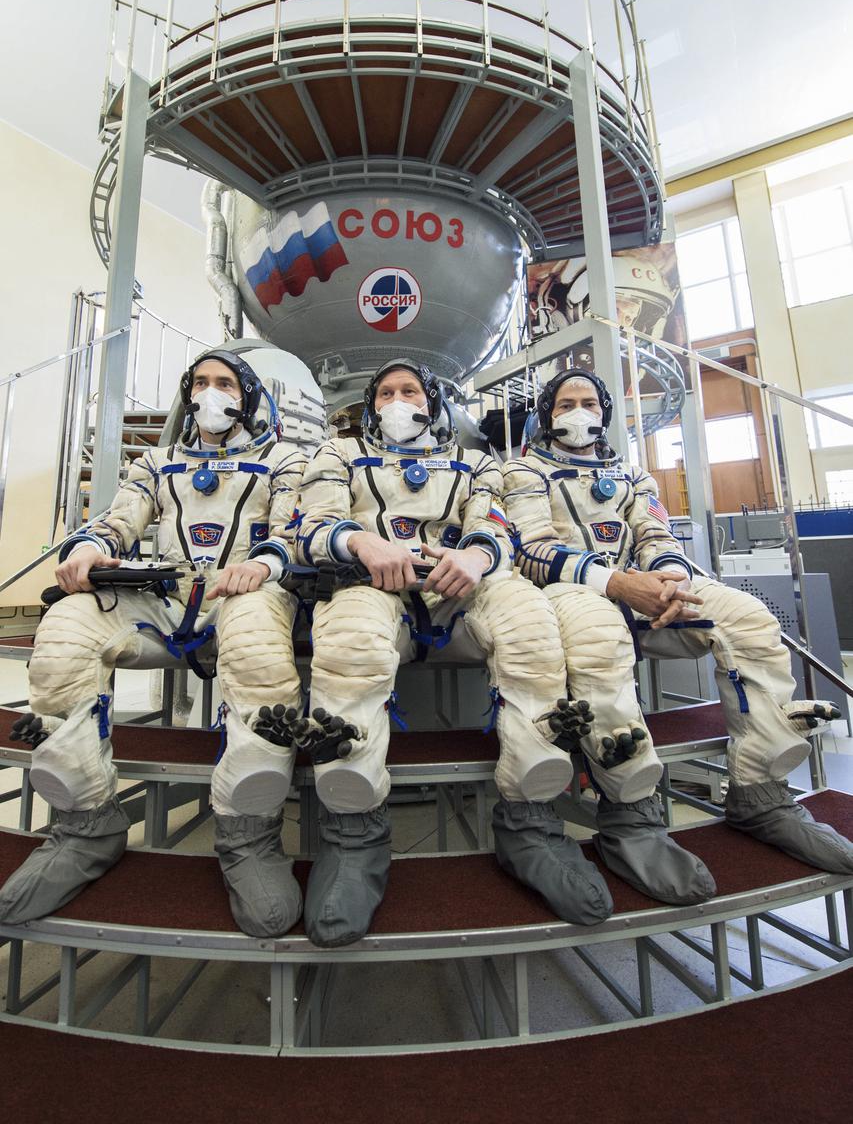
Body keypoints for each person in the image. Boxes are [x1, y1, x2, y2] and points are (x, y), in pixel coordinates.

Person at [294, 358, 616, 947]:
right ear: (370, 407)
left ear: (432, 403)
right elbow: (310, 527)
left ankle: (532, 827)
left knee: (530, 627)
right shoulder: (336, 455)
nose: (397, 401)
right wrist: (361, 541)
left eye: (409, 391)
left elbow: (495, 523)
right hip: (372, 585)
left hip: (461, 588)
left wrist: (476, 555)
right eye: (386, 392)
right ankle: (352, 839)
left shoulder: (474, 463)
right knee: (350, 646)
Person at [0, 351, 311, 938]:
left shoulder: (286, 460)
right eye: (200, 383)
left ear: (248, 395)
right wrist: (87, 549)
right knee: (65, 631)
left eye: (224, 383)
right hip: (167, 596)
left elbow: (295, 530)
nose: (210, 394)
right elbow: (118, 519)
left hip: (250, 591)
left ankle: (249, 838)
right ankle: (84, 826)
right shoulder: (158, 461)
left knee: (257, 653)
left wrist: (264, 565)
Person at [503, 368, 853, 885]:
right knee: (598, 638)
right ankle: (630, 814)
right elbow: (532, 550)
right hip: (573, 594)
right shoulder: (523, 472)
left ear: (605, 414)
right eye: (565, 404)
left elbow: (655, 533)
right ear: (546, 416)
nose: (579, 412)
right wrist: (620, 584)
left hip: (652, 591)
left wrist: (669, 578)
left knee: (750, 620)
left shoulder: (633, 476)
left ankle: (762, 795)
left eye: (590, 403)